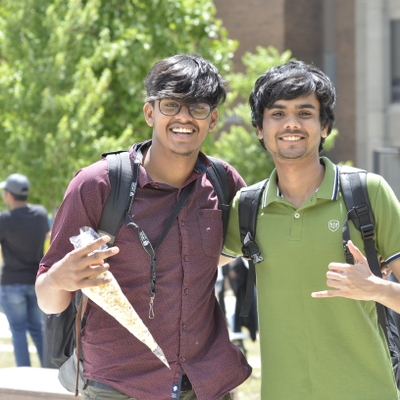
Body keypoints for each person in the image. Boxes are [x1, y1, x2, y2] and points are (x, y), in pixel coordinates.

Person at [35, 54, 251, 400]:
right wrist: (61, 278)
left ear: (213, 119)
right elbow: (48, 300)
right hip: (119, 385)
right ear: (150, 112)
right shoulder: (98, 184)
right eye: (171, 105)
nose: (184, 117)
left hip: (206, 381)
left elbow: (228, 252)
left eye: (197, 108)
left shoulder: (223, 182)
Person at [223, 60, 400, 399]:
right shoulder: (247, 206)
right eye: (277, 113)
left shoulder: (368, 192)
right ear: (259, 128)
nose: (291, 123)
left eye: (305, 113)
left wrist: (376, 288)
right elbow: (185, 272)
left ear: (325, 127)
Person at [0, 173, 49, 367]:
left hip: (12, 283)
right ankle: (48, 370)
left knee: (18, 331)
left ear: (9, 195)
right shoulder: (40, 214)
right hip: (36, 282)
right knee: (37, 329)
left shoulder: (5, 219)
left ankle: (24, 374)